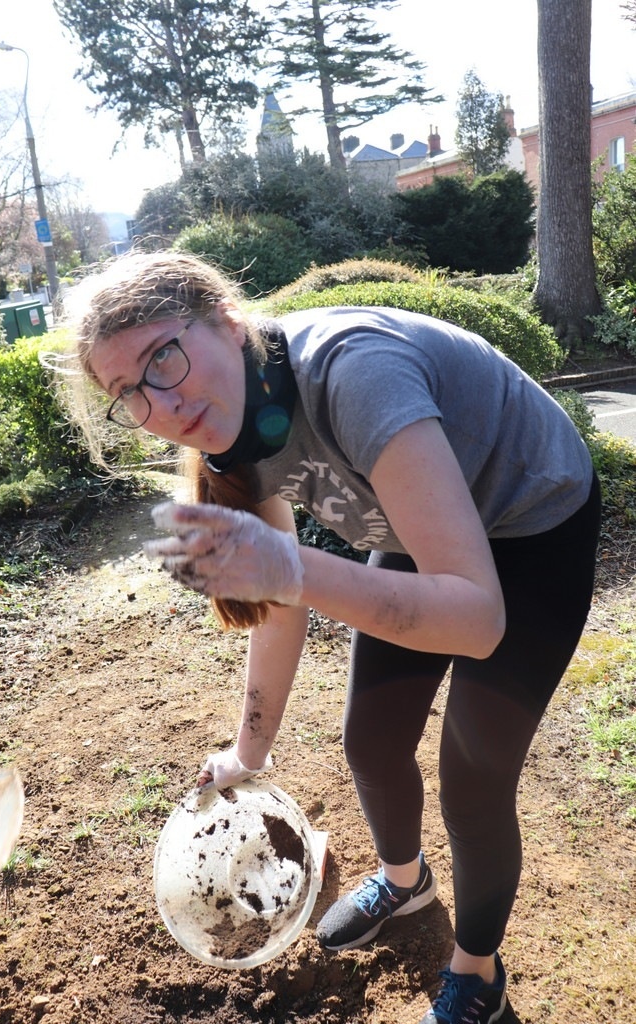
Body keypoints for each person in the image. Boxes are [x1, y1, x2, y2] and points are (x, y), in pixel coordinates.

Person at [63, 250, 601, 1024]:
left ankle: (477, 974)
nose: (159, 403)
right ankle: (404, 883)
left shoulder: (356, 373)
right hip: (419, 524)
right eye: (128, 392)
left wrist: (288, 564)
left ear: (226, 322)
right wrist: (247, 751)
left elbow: (475, 622)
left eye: (163, 358)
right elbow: (281, 604)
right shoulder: (229, 428)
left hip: (530, 518)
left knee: (473, 775)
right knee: (370, 739)